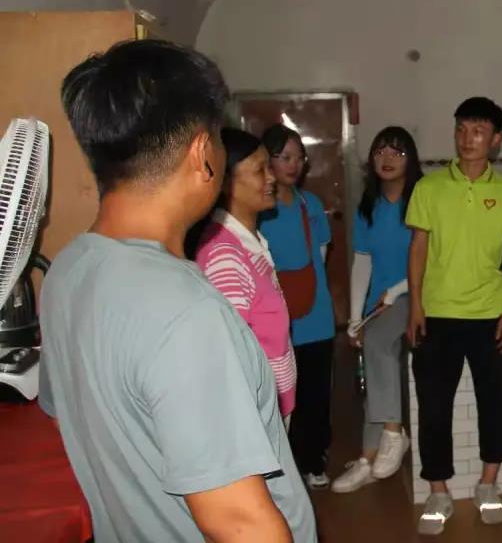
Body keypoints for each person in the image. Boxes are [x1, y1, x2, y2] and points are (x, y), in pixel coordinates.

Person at [38, 39, 316, 542]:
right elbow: (240, 523)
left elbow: (67, 427)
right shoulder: (186, 312)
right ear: (202, 155)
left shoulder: (68, 271)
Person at [406, 97, 502, 536]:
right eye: (461, 129)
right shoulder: (429, 188)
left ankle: (488, 484)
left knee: (494, 403)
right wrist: (415, 305)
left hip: (490, 316)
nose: (467, 138)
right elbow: (418, 248)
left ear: (496, 139)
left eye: (478, 130)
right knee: (433, 407)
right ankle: (438, 491)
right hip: (436, 315)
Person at [332, 126, 422, 493]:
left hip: (416, 295)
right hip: (380, 304)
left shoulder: (422, 201)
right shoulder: (368, 207)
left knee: (379, 345)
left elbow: (432, 259)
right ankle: (368, 460)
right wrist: (355, 318)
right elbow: (362, 263)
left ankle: (393, 432)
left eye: (397, 152)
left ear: (411, 161)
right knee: (375, 369)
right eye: (380, 151)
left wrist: (397, 291)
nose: (387, 158)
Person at [193, 128, 297, 422]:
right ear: (225, 183)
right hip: (256, 414)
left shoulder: (250, 241)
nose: (272, 178)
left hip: (272, 408)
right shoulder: (225, 255)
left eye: (270, 168)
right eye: (260, 170)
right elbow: (232, 360)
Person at [259, 123, 336, 489]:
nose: (292, 165)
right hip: (274, 321)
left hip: (317, 316)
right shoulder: (258, 208)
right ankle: (285, 467)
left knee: (316, 394)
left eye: (298, 157)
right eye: (284, 157)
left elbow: (321, 255)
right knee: (280, 397)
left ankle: (314, 459)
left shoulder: (311, 205)